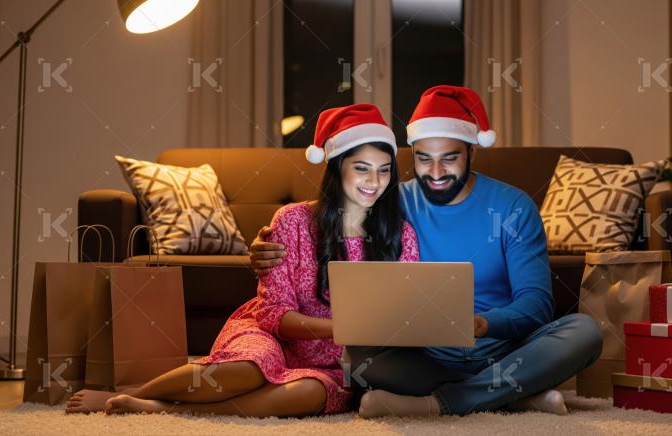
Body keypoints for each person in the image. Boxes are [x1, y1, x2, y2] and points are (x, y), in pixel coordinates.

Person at [250, 85, 603, 418]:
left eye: (449, 158)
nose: (435, 173)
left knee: (584, 332)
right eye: (423, 159)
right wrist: (263, 247)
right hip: (425, 355)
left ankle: (444, 402)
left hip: (505, 347)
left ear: (472, 151)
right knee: (359, 359)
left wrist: (482, 324)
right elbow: (325, 221)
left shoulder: (513, 207)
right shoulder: (392, 202)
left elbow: (537, 304)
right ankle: (516, 395)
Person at [66, 104, 419, 417]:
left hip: (336, 363)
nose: (375, 181)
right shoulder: (292, 221)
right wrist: (346, 326)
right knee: (248, 368)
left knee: (308, 394)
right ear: (337, 166)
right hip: (272, 337)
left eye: (384, 170)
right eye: (362, 168)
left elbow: (403, 314)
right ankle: (130, 393)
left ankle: (160, 409)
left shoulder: (400, 235)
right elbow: (274, 314)